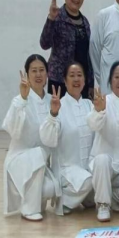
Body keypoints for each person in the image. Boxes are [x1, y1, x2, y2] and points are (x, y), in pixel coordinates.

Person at [2, 55, 57, 221]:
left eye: (41, 70)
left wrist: (54, 113)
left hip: (41, 163)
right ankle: (29, 209)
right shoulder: (19, 100)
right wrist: (23, 99)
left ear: (47, 74)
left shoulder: (52, 100)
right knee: (38, 154)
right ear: (27, 74)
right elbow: (12, 130)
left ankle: (36, 200)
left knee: (52, 188)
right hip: (19, 159)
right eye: (34, 71)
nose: (38, 74)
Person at [40, 62, 95, 215]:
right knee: (88, 180)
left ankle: (84, 196)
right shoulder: (59, 106)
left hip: (87, 167)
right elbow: (48, 139)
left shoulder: (89, 105)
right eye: (72, 76)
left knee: (102, 176)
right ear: (65, 81)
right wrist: (53, 114)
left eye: (79, 75)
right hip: (67, 169)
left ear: (84, 80)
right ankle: (64, 201)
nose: (76, 79)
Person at [88, 61, 119, 222]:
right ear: (110, 81)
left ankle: (109, 196)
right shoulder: (104, 101)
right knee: (102, 159)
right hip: (104, 166)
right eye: (116, 77)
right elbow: (93, 125)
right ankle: (103, 204)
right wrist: (99, 111)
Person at [40, 0, 93, 98]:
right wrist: (51, 19)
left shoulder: (85, 22)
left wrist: (90, 83)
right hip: (59, 81)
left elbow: (88, 55)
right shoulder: (57, 17)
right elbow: (44, 44)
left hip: (80, 82)